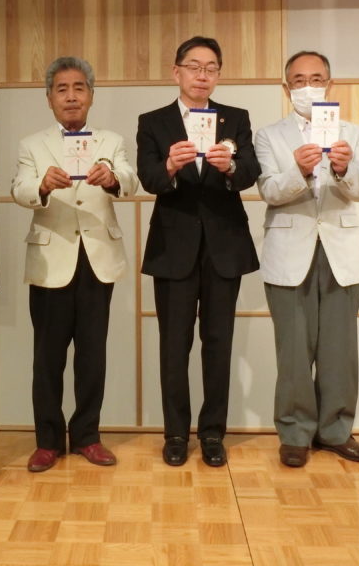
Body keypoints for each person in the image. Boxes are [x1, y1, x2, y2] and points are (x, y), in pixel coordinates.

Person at [136, 36, 260, 468]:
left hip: (225, 246)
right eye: (194, 66)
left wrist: (231, 167)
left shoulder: (236, 118)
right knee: (174, 345)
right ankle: (175, 433)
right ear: (177, 72)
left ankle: (212, 433)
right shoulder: (154, 121)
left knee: (219, 343)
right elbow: (148, 177)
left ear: (218, 75)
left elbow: (251, 171)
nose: (202, 75)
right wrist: (170, 165)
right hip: (173, 247)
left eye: (210, 68)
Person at [11, 57, 139, 473]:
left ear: (91, 96)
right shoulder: (32, 144)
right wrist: (42, 186)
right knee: (47, 356)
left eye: (79, 88)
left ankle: (87, 435)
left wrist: (113, 178)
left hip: (98, 259)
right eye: (62, 89)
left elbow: (131, 179)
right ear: (49, 98)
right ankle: (48, 441)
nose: (71, 96)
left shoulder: (110, 141)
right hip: (52, 258)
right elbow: (19, 189)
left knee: (92, 355)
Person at [254, 50, 359, 469]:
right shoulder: (269, 135)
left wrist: (343, 169)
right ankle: (294, 433)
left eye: (317, 79)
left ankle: (336, 431)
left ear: (331, 84)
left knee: (340, 350)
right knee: (293, 351)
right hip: (289, 251)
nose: (309, 87)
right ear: (286, 88)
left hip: (341, 251)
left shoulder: (352, 134)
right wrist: (299, 172)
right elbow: (269, 191)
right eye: (299, 80)